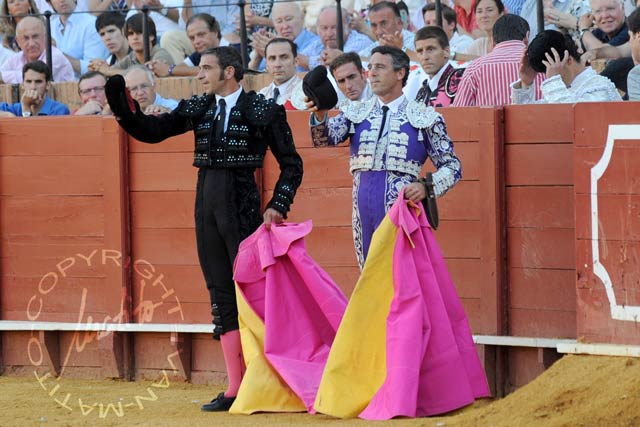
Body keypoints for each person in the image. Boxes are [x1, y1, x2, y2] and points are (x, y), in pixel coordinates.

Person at [105, 45, 303, 412]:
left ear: (229, 72)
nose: (199, 74)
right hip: (206, 208)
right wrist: (124, 108)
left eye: (207, 68)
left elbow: (292, 165)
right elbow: (152, 131)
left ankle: (268, 379)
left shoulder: (263, 110)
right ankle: (235, 386)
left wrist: (278, 204)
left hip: (243, 209)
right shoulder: (199, 107)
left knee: (253, 296)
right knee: (221, 294)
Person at [308, 45, 461, 269]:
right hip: (362, 210)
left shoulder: (424, 117)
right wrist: (320, 114)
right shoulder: (355, 112)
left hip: (402, 209)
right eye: (370, 67)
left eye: (380, 67)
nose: (372, 73)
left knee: (402, 275)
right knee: (368, 273)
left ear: (400, 73)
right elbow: (323, 140)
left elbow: (453, 166)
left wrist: (426, 187)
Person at [453, 14, 541, 107]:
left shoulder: (475, 68)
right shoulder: (542, 64)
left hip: (487, 121)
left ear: (492, 40)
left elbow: (460, 113)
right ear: (527, 37)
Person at [512, 29, 622, 103]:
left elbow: (572, 122)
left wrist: (554, 81)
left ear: (568, 60)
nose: (549, 75)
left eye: (552, 69)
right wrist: (526, 83)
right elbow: (529, 121)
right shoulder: (560, 90)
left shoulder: (600, 87)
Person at [0, 16, 74, 83]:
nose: (31, 43)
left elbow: (35, 76)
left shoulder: (54, 56)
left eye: (35, 37)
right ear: (18, 41)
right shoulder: (16, 58)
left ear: (45, 37)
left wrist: (7, 77)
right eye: (26, 38)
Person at [147, 13, 220, 77]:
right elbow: (183, 67)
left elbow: (212, 70)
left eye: (201, 35)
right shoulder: (201, 53)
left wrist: (169, 69)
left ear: (215, 32)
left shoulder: (229, 48)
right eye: (192, 38)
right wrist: (156, 67)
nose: (196, 41)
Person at [48, 0, 109, 75]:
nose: (62, 0)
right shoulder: (49, 26)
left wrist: (58, 53)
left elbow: (93, 69)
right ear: (50, 3)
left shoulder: (91, 24)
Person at [306, 6, 373, 69]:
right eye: (324, 28)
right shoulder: (318, 43)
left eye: (334, 27)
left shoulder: (360, 41)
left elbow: (337, 60)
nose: (329, 34)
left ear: (349, 26)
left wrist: (304, 60)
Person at [414, 26, 465, 107]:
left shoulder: (460, 79)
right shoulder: (422, 92)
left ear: (446, 52)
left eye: (431, 49)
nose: (425, 57)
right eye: (420, 51)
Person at [0, 60, 70, 116]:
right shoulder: (15, 109)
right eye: (28, 81)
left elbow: (30, 132)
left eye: (38, 82)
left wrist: (26, 108)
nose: (33, 87)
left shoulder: (59, 110)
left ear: (48, 85)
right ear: (22, 84)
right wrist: (9, 115)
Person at [258, 37, 304, 109]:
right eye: (272, 58)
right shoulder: (261, 96)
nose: (277, 64)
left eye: (284, 57)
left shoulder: (306, 93)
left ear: (296, 62)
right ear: (267, 64)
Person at [87, 12, 130, 76]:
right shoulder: (108, 61)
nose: (107, 38)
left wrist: (108, 71)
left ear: (124, 31)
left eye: (111, 31)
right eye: (102, 34)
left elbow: (141, 75)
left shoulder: (139, 53)